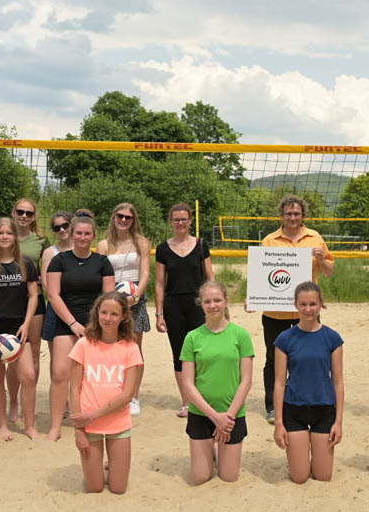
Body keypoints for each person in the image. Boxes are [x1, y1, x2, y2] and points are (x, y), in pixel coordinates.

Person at [257, 195, 335, 423]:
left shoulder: (315, 238)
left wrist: (321, 261)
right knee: (273, 358)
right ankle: (272, 405)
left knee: (310, 356)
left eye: (297, 213)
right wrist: (253, 298)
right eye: (289, 213)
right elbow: (262, 275)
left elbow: (329, 271)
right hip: (275, 311)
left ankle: (308, 398)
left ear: (303, 216)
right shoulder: (270, 240)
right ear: (281, 215)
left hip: (307, 311)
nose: (292, 217)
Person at [45, 214, 114, 441]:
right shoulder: (60, 260)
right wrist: (73, 323)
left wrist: (95, 326)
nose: (82, 237)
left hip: (95, 323)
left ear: (93, 236)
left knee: (93, 376)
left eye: (87, 233)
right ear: (72, 234)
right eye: (78, 233)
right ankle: (55, 426)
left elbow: (108, 297)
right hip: (66, 322)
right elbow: (53, 294)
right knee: (60, 373)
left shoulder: (102, 262)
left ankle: (92, 418)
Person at [179, 280, 254, 484]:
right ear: (201, 304)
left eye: (217, 300)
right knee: (200, 477)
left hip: (231, 415)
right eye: (207, 301)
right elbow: (188, 384)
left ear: (226, 302)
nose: (213, 305)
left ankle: (217, 446)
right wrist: (214, 417)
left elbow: (246, 381)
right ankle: (211, 447)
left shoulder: (241, 335)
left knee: (228, 476)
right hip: (202, 414)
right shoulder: (192, 337)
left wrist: (227, 418)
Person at [69, 292, 143, 494]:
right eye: (104, 313)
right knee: (95, 488)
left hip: (116, 423)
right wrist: (78, 430)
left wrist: (91, 416)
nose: (108, 319)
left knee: (118, 489)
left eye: (114, 314)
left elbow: (127, 395)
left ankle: (113, 459)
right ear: (96, 313)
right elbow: (74, 390)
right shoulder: (83, 344)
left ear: (123, 317)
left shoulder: (131, 348)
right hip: (88, 426)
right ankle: (101, 461)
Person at [272, 282, 344, 484]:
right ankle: (300, 459)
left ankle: (315, 457)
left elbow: (338, 382)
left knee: (323, 476)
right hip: (294, 410)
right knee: (300, 477)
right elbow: (279, 383)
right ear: (295, 305)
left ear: (321, 304)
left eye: (313, 304)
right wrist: (279, 423)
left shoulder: (332, 338)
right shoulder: (285, 339)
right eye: (303, 304)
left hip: (324, 409)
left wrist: (338, 421)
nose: (308, 309)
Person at [0, 218, 39, 440]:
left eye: (9, 233)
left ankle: (29, 426)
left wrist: (26, 323)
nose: (5, 237)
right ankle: (2, 425)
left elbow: (33, 295)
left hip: (18, 328)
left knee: (28, 375)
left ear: (15, 236)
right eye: (0, 233)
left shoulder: (25, 263)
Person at [155, 203, 214, 418]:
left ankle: (204, 399)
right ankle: (187, 402)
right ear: (170, 222)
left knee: (203, 353)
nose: (180, 223)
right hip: (173, 306)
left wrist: (213, 305)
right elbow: (160, 284)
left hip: (198, 304)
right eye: (176, 219)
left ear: (190, 221)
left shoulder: (201, 245)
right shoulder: (162, 248)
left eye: (184, 219)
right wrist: (159, 313)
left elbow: (210, 277)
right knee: (179, 354)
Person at [97, 202, 152, 415]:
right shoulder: (103, 245)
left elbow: (145, 273)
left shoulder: (141, 242)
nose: (123, 220)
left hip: (134, 300)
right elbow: (102, 273)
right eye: (120, 216)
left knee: (134, 349)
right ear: (113, 217)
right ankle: (114, 393)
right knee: (111, 348)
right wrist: (110, 299)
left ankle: (133, 396)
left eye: (128, 217)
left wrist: (135, 296)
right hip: (111, 300)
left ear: (133, 220)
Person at [8, 198, 48, 425]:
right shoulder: (4, 235)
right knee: (12, 355)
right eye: (20, 211)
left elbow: (45, 271)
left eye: (29, 213)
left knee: (33, 354)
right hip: (9, 302)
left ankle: (27, 404)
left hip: (36, 301)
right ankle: (13, 403)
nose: (24, 216)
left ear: (34, 217)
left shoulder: (40, 240)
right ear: (14, 212)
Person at [39, 212, 73, 345]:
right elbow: (46, 285)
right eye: (57, 228)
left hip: (80, 305)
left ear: (72, 224)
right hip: (56, 306)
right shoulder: (49, 253)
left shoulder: (82, 248)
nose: (62, 230)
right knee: (58, 358)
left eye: (65, 225)